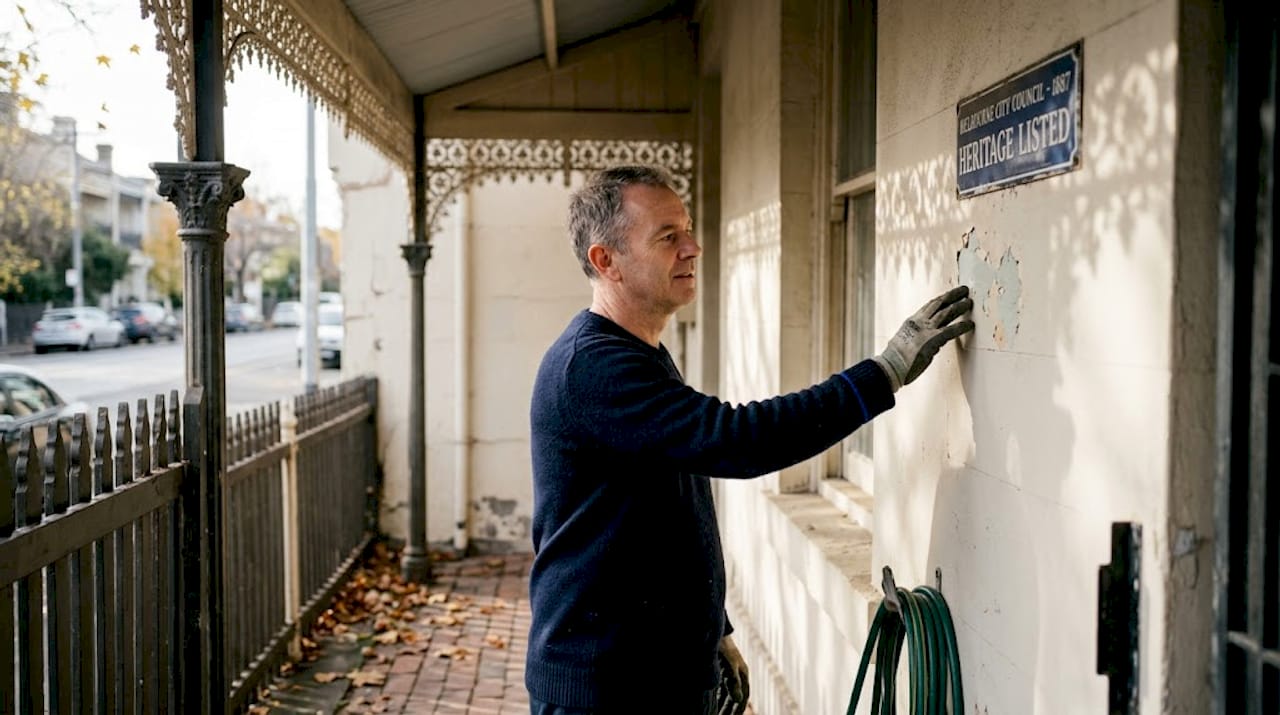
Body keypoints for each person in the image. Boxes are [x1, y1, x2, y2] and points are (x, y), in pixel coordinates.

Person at [526, 165, 974, 714]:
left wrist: (714, 628)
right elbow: (737, 440)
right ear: (606, 261)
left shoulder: (637, 353)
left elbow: (671, 513)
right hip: (607, 689)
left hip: (652, 676)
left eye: (687, 228)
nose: (693, 247)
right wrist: (883, 374)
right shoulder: (593, 368)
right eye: (668, 237)